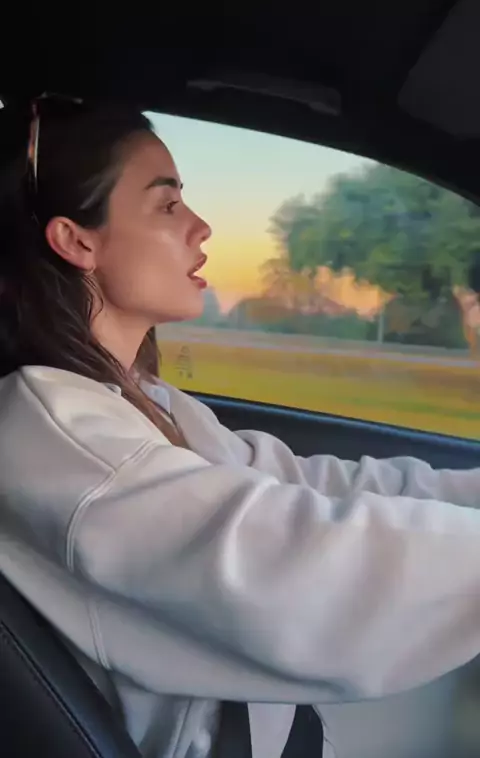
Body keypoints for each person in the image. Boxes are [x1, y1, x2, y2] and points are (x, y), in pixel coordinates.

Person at [0, 97, 479, 758]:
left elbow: (312, 485)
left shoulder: (145, 403)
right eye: (168, 205)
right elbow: (297, 569)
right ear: (77, 240)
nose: (201, 228)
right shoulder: (52, 434)